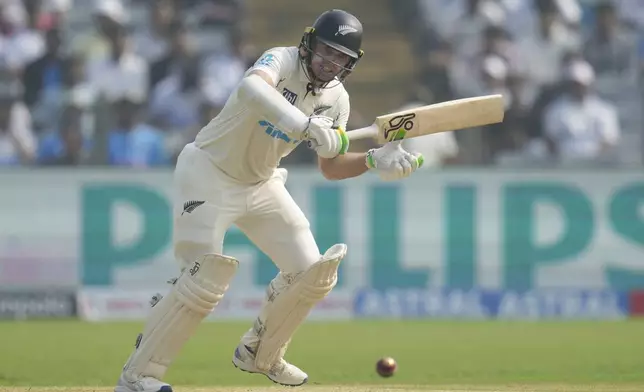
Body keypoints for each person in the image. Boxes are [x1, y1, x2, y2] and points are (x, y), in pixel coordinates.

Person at [114, 9, 424, 392]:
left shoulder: (337, 100)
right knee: (202, 279)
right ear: (309, 44)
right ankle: (136, 377)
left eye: (340, 56)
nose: (330, 61)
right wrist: (304, 125)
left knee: (313, 271)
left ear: (350, 64)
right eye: (325, 50)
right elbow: (251, 89)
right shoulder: (281, 59)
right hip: (208, 173)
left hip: (261, 184)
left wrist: (373, 160)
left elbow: (332, 167)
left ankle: (261, 353)